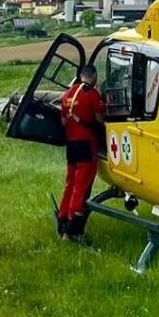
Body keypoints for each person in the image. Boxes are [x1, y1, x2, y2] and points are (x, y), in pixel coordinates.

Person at [58, 64, 105, 240]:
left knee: (70, 182)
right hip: (86, 144)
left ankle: (62, 218)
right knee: (81, 185)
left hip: (71, 144)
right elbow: (99, 119)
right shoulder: (92, 94)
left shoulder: (68, 94)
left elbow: (63, 122)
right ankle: (73, 227)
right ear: (94, 77)